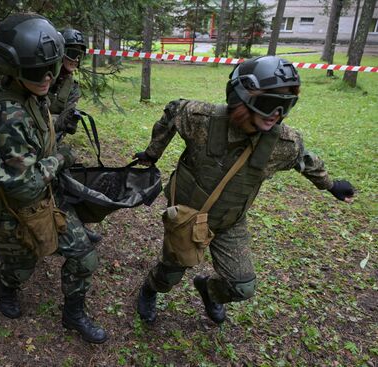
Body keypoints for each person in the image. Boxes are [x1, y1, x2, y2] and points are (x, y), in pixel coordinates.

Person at [134, 56, 355, 325]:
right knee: (169, 274)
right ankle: (150, 289)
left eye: (286, 105)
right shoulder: (201, 120)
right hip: (187, 217)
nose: (276, 114)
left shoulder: (283, 143)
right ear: (240, 97)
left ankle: (209, 292)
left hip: (229, 222)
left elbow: (304, 160)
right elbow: (172, 111)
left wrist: (330, 185)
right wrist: (152, 153)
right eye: (268, 103)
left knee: (241, 286)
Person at [0, 13, 108, 344]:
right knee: (23, 263)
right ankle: (7, 287)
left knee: (84, 256)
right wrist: (59, 160)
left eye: (53, 67)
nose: (48, 77)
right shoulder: (9, 115)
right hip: (11, 206)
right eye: (38, 71)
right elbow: (24, 187)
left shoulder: (33, 92)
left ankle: (73, 314)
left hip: (42, 196)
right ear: (15, 71)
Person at [48, 28, 102, 243]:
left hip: (52, 141)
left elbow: (65, 116)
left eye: (80, 54)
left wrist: (67, 122)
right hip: (28, 141)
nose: (76, 58)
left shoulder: (72, 87)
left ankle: (74, 225)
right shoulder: (41, 76)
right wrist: (57, 120)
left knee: (65, 182)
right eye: (71, 52)